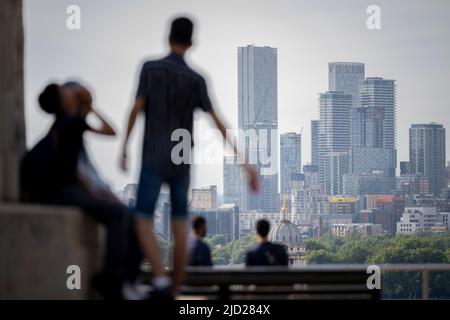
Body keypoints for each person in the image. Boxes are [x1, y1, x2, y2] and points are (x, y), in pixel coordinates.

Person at [121, 16, 259, 298]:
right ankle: (176, 286)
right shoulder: (196, 79)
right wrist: (244, 162)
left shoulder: (150, 68)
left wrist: (124, 145)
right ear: (192, 42)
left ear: (168, 37)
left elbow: (136, 108)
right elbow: (218, 122)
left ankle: (160, 279)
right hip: (181, 156)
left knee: (143, 217)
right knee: (180, 221)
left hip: (153, 154)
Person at [21, 82, 142, 299]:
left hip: (62, 191)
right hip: (64, 193)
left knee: (124, 214)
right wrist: (90, 108)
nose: (71, 93)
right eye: (65, 92)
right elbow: (110, 130)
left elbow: (70, 167)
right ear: (62, 101)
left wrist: (86, 107)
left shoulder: (62, 125)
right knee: (120, 214)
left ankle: (119, 281)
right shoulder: (72, 124)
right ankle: (111, 280)